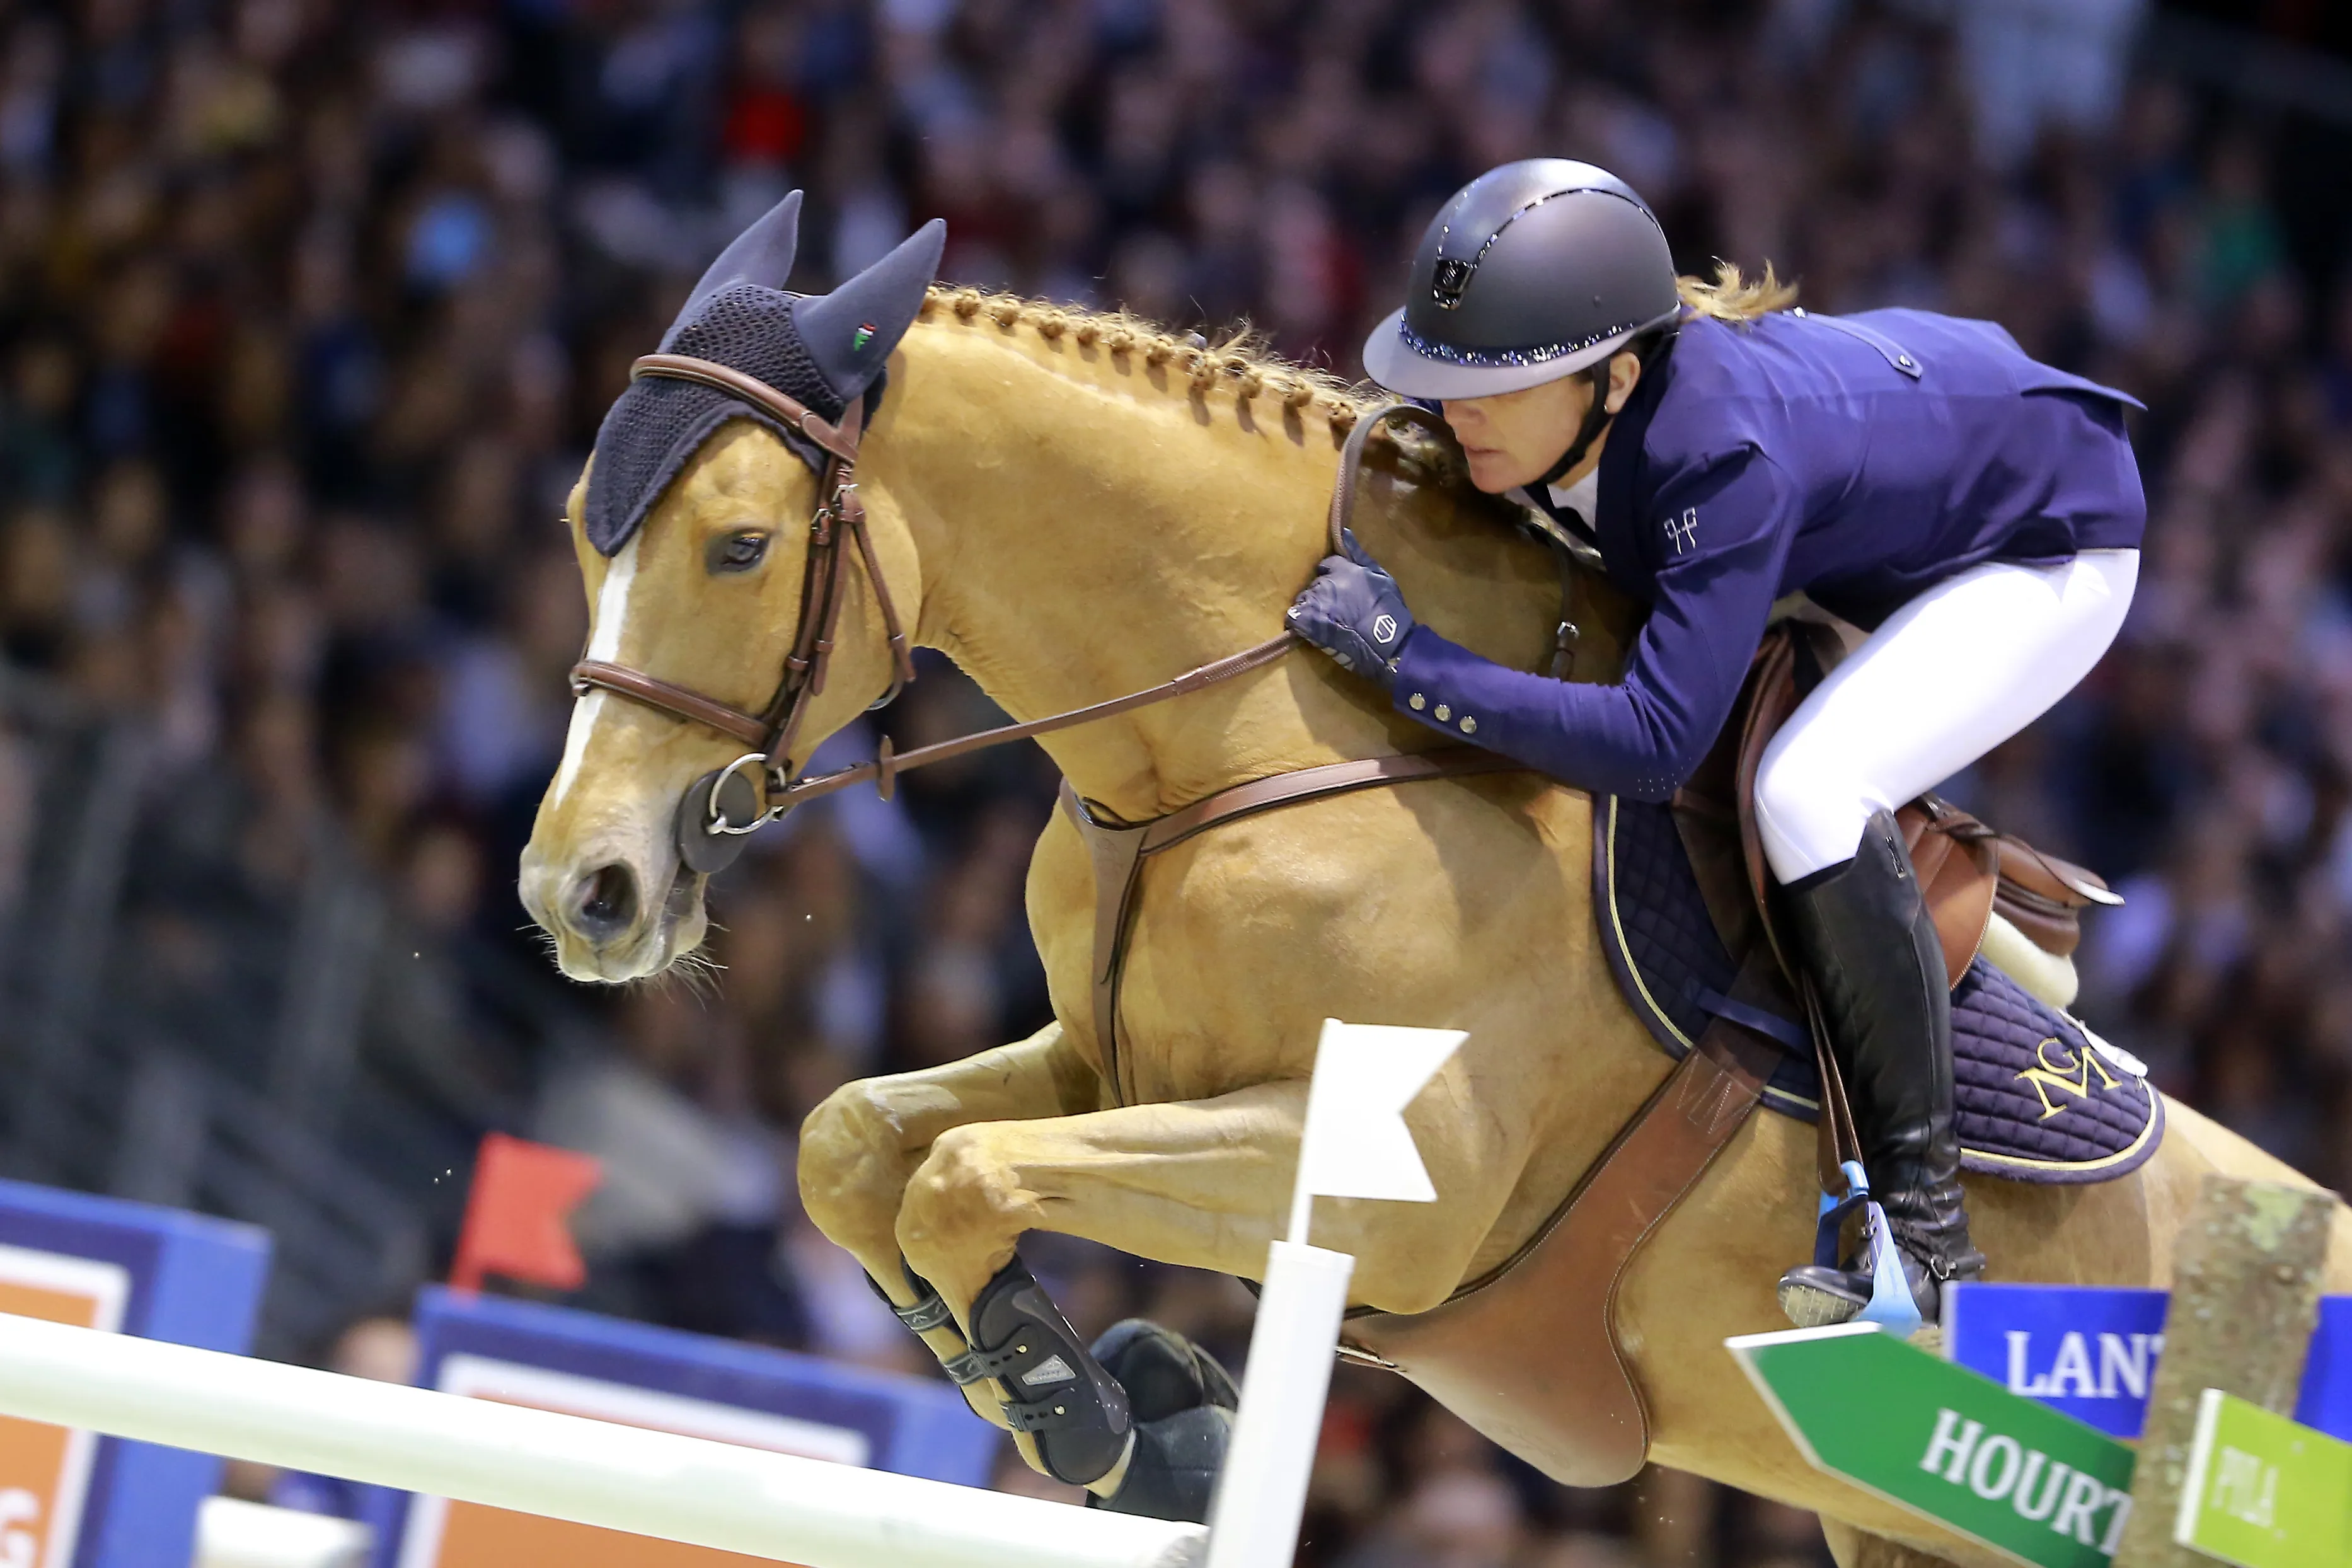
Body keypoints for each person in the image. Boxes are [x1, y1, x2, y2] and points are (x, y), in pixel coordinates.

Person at [1288, 160, 2145, 1327]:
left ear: (1615, 379)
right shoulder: (1602, 414)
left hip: (2047, 543)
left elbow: (1652, 743)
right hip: (1901, 474)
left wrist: (1411, 663)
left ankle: (1924, 1239)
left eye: (1494, 386)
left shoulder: (1718, 461)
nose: (1455, 411)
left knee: (1809, 791)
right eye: (1442, 379)